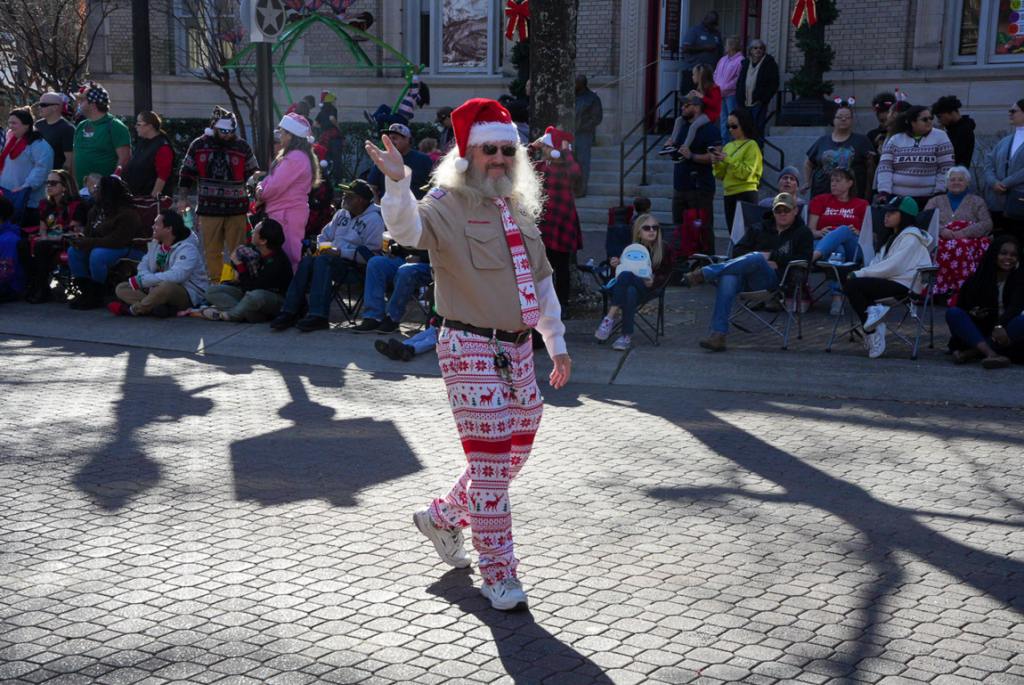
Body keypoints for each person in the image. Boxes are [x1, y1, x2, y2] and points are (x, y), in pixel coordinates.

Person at [365, 97, 571, 612]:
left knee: (512, 453)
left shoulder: (518, 207)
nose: (499, 158)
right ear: (467, 154)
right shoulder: (445, 202)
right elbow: (407, 230)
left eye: (507, 149)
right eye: (489, 150)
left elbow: (541, 284)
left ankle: (441, 517)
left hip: (519, 349)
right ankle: (499, 572)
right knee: (493, 461)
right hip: (467, 344)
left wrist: (557, 344)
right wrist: (397, 183)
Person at [682, 192, 812, 352]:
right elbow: (737, 251)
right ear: (773, 212)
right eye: (778, 210)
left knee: (756, 257)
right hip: (744, 278)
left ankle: (705, 273)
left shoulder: (803, 233)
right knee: (728, 277)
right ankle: (718, 335)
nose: (782, 214)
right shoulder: (759, 228)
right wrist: (758, 260)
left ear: (795, 211)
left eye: (786, 210)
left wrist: (771, 257)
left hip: (774, 281)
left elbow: (804, 259)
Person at [270, 179, 384, 332]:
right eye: (344, 194)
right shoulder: (341, 214)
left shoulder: (374, 220)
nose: (344, 197)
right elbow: (324, 236)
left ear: (361, 200)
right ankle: (290, 311)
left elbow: (371, 256)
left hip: (355, 268)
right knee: (308, 261)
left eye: (349, 195)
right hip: (331, 260)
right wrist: (322, 247)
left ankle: (318, 316)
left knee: (323, 261)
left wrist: (340, 252)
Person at [843, 196, 933, 359]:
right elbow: (877, 263)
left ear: (904, 215)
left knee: (853, 284)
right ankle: (874, 319)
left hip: (905, 286)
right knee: (851, 282)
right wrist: (862, 273)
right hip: (889, 281)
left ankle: (872, 327)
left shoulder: (911, 238)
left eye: (892, 212)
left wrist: (860, 273)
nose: (886, 216)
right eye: (886, 212)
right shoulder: (890, 238)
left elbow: (894, 266)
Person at [178, 107, 260, 283]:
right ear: (213, 128)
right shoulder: (198, 145)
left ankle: (233, 283)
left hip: (237, 209)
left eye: (230, 131)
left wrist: (255, 188)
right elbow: (186, 173)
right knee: (212, 251)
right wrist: (183, 198)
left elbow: (253, 173)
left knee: (237, 250)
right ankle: (216, 285)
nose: (227, 135)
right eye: (223, 131)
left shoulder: (242, 146)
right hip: (209, 209)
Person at [593, 213, 675, 351]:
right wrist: (616, 264)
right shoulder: (630, 248)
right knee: (629, 288)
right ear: (638, 231)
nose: (652, 231)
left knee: (627, 280)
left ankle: (609, 318)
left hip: (648, 288)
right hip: (627, 288)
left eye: (655, 228)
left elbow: (667, 273)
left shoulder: (665, 249)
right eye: (647, 228)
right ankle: (626, 336)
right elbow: (618, 275)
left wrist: (654, 281)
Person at [109, 209, 208, 317]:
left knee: (166, 287)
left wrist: (146, 281)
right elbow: (143, 265)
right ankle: (158, 307)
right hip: (156, 287)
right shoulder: (156, 243)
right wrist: (146, 280)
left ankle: (134, 309)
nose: (152, 227)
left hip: (187, 294)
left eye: (156, 224)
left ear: (169, 229)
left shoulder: (188, 249)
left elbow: (177, 276)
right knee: (122, 288)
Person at [66, 175, 146, 309]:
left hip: (131, 248)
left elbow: (117, 241)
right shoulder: (95, 211)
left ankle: (97, 294)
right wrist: (79, 240)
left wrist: (88, 242)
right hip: (105, 246)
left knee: (98, 255)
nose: (94, 191)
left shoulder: (127, 213)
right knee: (74, 251)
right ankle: (86, 291)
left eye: (98, 188)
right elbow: (89, 234)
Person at [945, 236, 1023, 368]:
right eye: (1003, 253)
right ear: (994, 254)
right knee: (953, 313)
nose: (1008, 258)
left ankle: (971, 353)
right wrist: (974, 312)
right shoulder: (978, 279)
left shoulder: (1020, 279)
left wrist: (999, 326)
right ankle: (991, 353)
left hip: (1006, 330)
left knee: (1021, 322)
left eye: (1013, 255)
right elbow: (963, 308)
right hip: (981, 330)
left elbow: (1015, 308)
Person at [257, 113, 320, 270]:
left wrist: (260, 191)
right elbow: (270, 180)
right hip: (285, 212)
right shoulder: (296, 156)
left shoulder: (296, 157)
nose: (280, 136)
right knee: (283, 257)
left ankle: (290, 292)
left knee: (289, 258)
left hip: (287, 214)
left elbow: (272, 187)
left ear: (291, 136)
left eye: (283, 132)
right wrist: (261, 187)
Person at [201, 219, 293, 322]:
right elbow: (245, 285)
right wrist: (237, 264)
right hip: (249, 294)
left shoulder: (277, 261)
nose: (252, 232)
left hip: (273, 299)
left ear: (263, 241)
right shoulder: (254, 249)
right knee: (212, 291)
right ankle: (246, 313)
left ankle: (228, 315)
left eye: (255, 231)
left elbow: (253, 288)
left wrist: (240, 266)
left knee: (255, 296)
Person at [808, 167, 871, 314]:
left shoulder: (861, 204)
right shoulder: (820, 200)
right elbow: (810, 230)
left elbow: (870, 236)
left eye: (838, 180)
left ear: (850, 183)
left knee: (843, 230)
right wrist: (819, 232)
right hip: (823, 243)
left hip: (853, 248)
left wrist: (859, 232)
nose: (833, 184)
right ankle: (837, 298)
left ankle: (811, 257)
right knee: (838, 249)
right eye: (832, 181)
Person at [532, 126, 582, 308]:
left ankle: (563, 305)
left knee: (562, 267)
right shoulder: (540, 167)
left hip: (561, 222)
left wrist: (565, 149)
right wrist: (532, 147)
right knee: (542, 267)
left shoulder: (567, 167)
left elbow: (575, 172)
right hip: (544, 222)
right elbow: (518, 163)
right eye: (544, 147)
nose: (543, 150)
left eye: (546, 147)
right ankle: (543, 303)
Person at [22, 169, 87, 303]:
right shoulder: (45, 205)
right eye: (47, 183)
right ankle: (32, 285)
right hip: (50, 240)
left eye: (53, 183)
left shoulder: (77, 205)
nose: (48, 186)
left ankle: (42, 289)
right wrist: (43, 236)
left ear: (65, 186)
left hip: (67, 241)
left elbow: (74, 231)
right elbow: (43, 230)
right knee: (22, 244)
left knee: (42, 245)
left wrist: (48, 237)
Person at [926, 166, 993, 297]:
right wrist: (942, 230)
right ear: (946, 183)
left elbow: (987, 223)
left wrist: (964, 233)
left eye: (960, 180)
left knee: (962, 246)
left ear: (967, 183)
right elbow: (925, 219)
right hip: (942, 239)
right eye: (952, 179)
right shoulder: (935, 201)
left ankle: (963, 289)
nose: (956, 182)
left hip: (968, 242)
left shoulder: (977, 201)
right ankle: (939, 289)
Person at [876, 105, 954, 211]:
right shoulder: (895, 139)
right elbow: (885, 168)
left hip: (929, 199)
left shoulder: (941, 137)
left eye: (931, 118)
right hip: (898, 198)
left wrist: (939, 193)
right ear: (912, 122)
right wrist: (884, 191)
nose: (929, 121)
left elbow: (946, 168)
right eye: (924, 119)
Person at [669, 95, 720, 240]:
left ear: (697, 107)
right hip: (679, 186)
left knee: (702, 229)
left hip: (700, 188)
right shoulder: (682, 126)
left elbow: (715, 156)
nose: (682, 108)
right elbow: (677, 151)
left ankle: (705, 259)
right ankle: (681, 259)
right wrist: (669, 149)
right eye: (682, 105)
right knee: (678, 229)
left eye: (686, 105)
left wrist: (692, 156)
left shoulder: (709, 129)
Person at [803, 103, 874, 199]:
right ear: (833, 120)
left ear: (852, 120)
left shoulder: (862, 141)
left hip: (852, 196)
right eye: (839, 117)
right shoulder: (822, 141)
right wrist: (807, 182)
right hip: (822, 194)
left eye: (847, 117)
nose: (843, 119)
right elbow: (808, 163)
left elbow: (871, 167)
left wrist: (869, 192)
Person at [0, 107, 54, 226]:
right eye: (9, 123)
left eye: (14, 123)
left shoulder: (39, 144)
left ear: (26, 125)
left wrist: (27, 185)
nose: (10, 126)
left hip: (27, 199)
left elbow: (42, 168)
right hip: (7, 194)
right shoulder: (11, 139)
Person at [71, 82, 131, 188]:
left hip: (104, 193)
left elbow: (124, 159)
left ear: (93, 105)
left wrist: (113, 183)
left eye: (82, 100)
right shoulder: (81, 125)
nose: (78, 103)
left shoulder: (115, 126)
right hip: (81, 191)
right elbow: (76, 156)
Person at [712, 108, 762, 232]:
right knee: (733, 233)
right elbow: (720, 175)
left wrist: (728, 160)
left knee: (747, 234)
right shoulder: (728, 146)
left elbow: (746, 173)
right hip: (729, 193)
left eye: (734, 126)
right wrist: (716, 163)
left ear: (743, 125)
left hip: (745, 192)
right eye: (728, 126)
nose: (730, 130)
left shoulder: (752, 145)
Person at [122, 111, 174, 229]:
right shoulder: (143, 142)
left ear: (149, 126)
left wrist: (151, 202)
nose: (136, 127)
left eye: (139, 124)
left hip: (149, 205)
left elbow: (162, 176)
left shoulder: (163, 146)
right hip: (138, 200)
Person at [982, 99, 1024, 240]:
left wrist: (1006, 183)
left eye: (1013, 111)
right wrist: (993, 182)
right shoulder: (1005, 140)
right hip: (998, 202)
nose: (1009, 114)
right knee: (1001, 241)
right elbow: (989, 162)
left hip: (1019, 202)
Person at [367, 123, 433, 201]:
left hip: (416, 209)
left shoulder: (423, 159)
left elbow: (433, 185)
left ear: (407, 140)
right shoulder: (383, 159)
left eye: (394, 138)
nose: (390, 142)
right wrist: (378, 207)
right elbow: (372, 186)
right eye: (389, 138)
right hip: (389, 210)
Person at [670, 64, 722, 156]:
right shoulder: (700, 88)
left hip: (711, 114)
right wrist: (687, 97)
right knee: (679, 120)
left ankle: (685, 147)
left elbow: (715, 104)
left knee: (694, 126)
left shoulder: (714, 88)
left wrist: (702, 97)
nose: (692, 76)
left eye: (694, 74)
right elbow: (695, 102)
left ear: (700, 76)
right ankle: (673, 142)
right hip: (702, 112)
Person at [735, 39, 779, 139]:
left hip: (758, 102)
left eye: (761, 48)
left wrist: (763, 99)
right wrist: (739, 98)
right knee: (745, 129)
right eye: (755, 48)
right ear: (750, 50)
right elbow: (740, 82)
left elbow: (773, 83)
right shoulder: (745, 63)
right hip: (745, 103)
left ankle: (758, 152)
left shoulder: (769, 63)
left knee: (757, 129)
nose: (758, 50)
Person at [679, 11, 723, 95]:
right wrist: (705, 48)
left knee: (705, 100)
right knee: (690, 99)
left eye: (715, 24)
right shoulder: (694, 31)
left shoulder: (717, 33)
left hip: (709, 74)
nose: (713, 26)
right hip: (693, 72)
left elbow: (720, 51)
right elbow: (685, 48)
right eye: (711, 23)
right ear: (705, 20)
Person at [574, 75, 603, 197]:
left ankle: (581, 189)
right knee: (570, 161)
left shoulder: (592, 98)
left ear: (581, 84)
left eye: (575, 83)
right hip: (570, 134)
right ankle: (571, 188)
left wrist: (582, 127)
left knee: (582, 162)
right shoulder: (572, 96)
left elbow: (596, 118)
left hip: (583, 135)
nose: (573, 85)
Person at [713, 37, 744, 142]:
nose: (725, 47)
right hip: (721, 94)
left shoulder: (740, 60)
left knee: (733, 119)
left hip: (731, 94)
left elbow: (738, 78)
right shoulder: (722, 59)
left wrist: (725, 87)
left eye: (727, 44)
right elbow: (716, 73)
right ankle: (724, 142)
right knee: (723, 119)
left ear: (732, 46)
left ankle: (734, 141)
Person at [34, 92, 75, 172]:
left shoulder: (67, 128)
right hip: (37, 174)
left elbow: (69, 161)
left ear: (55, 107)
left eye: (43, 105)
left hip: (54, 179)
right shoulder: (38, 125)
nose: (39, 107)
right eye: (39, 104)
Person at [931, 96, 976, 168]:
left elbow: (952, 154)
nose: (939, 120)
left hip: (955, 175)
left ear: (951, 112)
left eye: (940, 116)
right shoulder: (952, 129)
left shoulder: (963, 130)